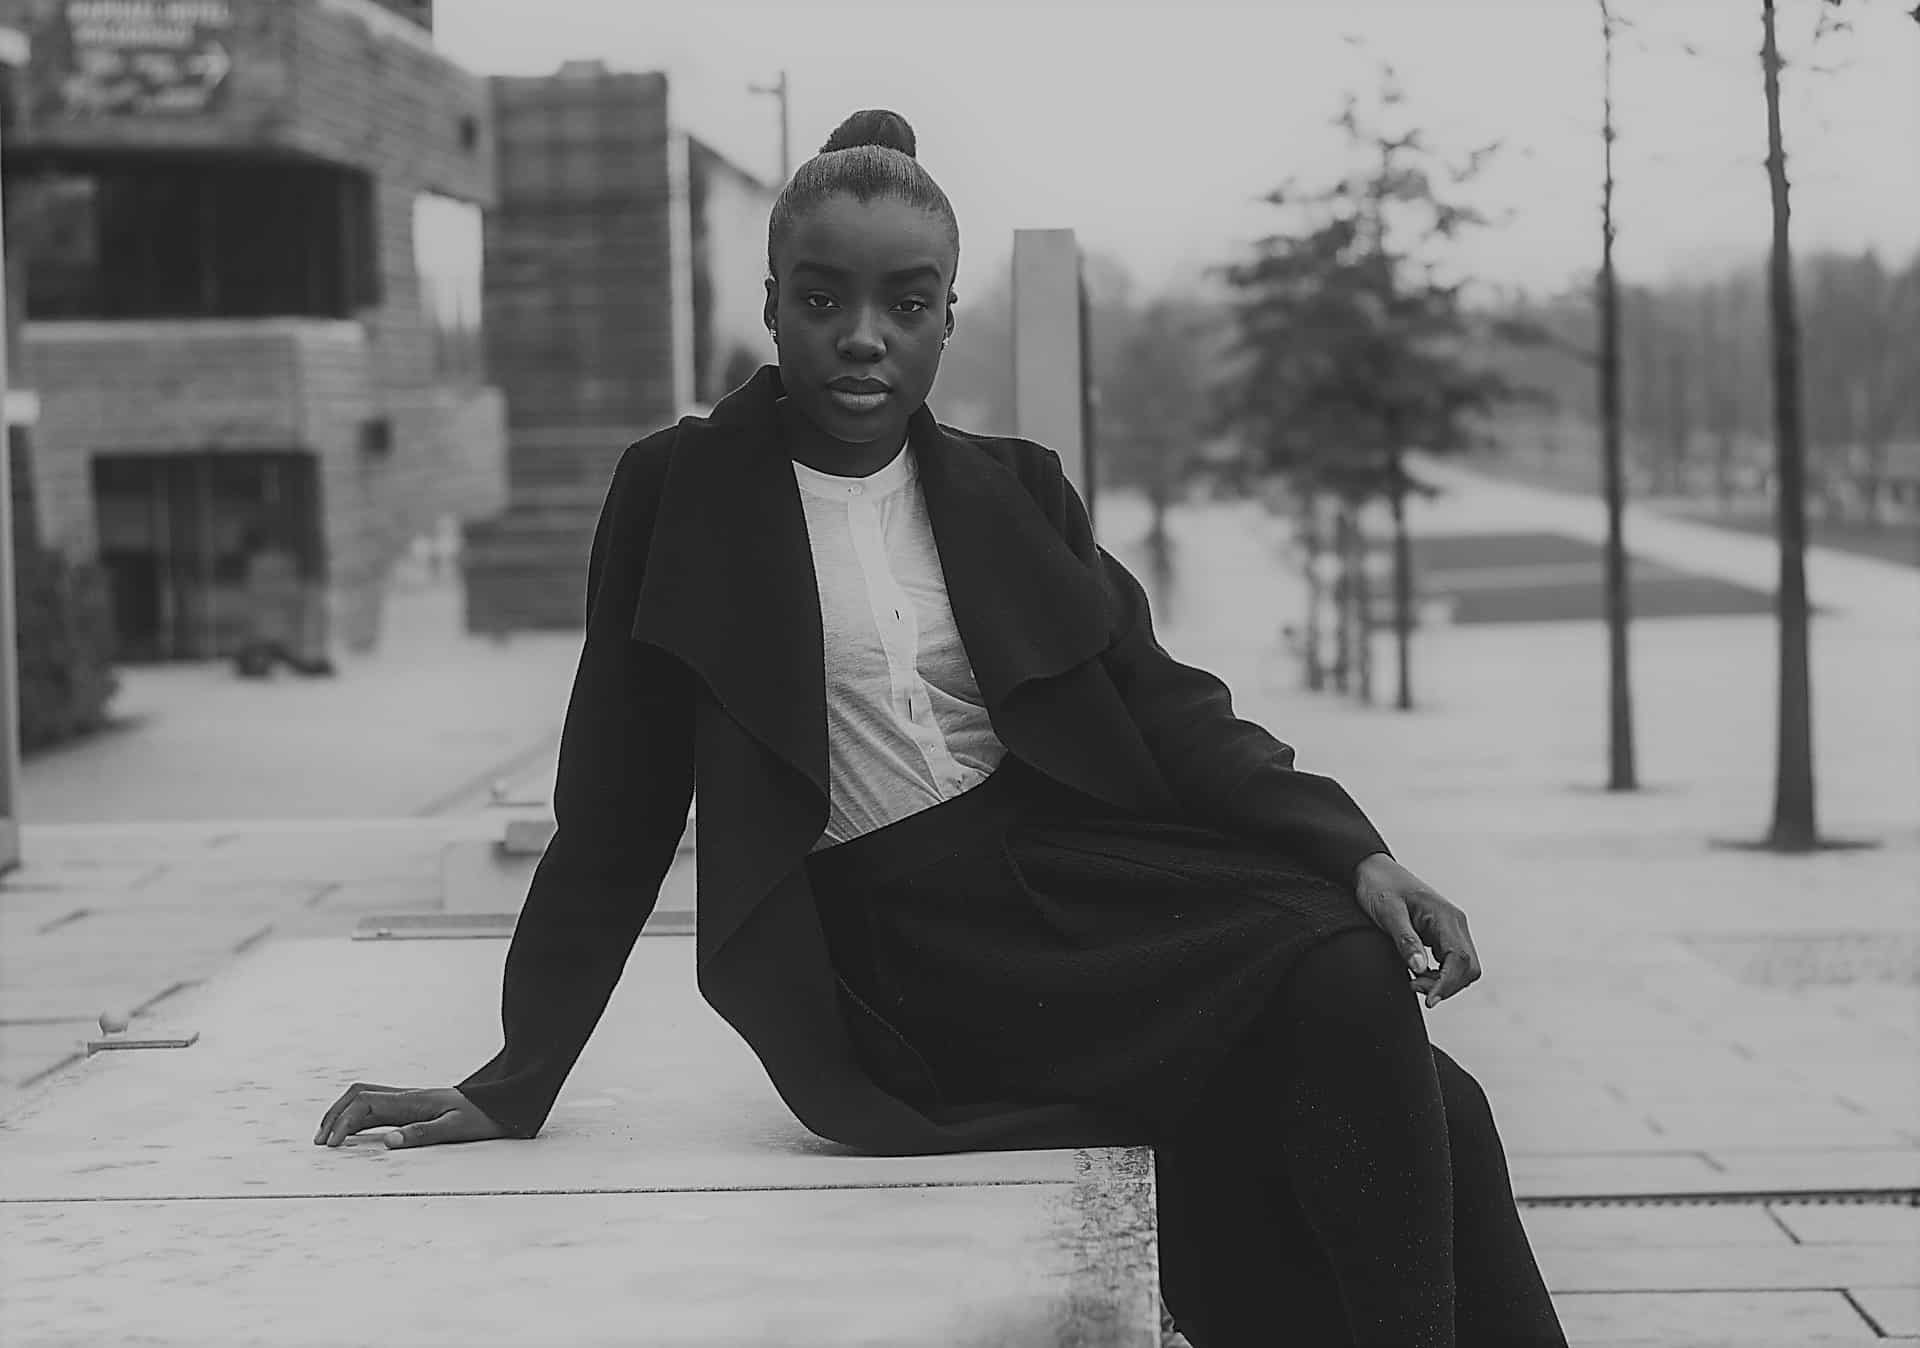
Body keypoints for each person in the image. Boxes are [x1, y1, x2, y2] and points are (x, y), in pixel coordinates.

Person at [315, 110, 1566, 1347]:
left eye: (907, 306)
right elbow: (615, 803)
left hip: (1076, 887)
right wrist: (513, 1073)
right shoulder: (679, 492)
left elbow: (1164, 701)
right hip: (912, 953)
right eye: (823, 300)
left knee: (1433, 1099)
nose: (864, 339)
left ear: (949, 318)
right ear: (771, 303)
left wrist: (1357, 849)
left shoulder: (1012, 490)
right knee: (1345, 984)